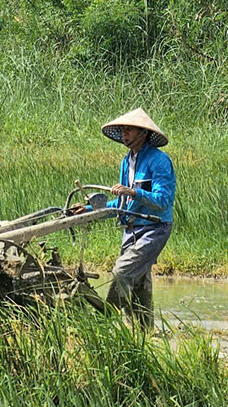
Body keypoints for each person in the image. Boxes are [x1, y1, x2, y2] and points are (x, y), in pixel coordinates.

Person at [72, 108, 175, 329]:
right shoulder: (126, 162)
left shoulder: (159, 161)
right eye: (123, 130)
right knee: (139, 284)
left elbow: (163, 200)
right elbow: (121, 205)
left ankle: (106, 318)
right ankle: (143, 333)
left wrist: (134, 192)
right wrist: (89, 210)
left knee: (122, 272)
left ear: (143, 133)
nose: (124, 134)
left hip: (154, 228)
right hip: (131, 229)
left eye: (129, 130)